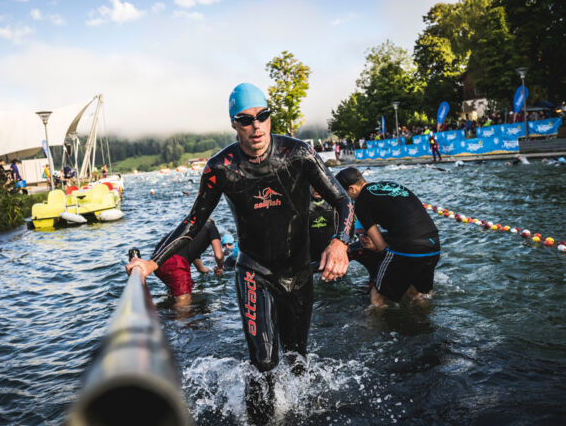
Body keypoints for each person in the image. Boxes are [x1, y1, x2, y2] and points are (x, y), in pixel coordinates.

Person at [126, 82, 353, 423]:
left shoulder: (299, 154)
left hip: (298, 273)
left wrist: (340, 243)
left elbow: (343, 200)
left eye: (262, 116)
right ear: (234, 124)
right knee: (263, 360)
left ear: (270, 117)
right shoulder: (221, 168)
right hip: (254, 271)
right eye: (245, 120)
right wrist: (152, 262)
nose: (256, 125)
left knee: (296, 359)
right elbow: (193, 221)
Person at [335, 167, 440, 308]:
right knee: (415, 293)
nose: (347, 199)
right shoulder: (390, 185)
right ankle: (425, 324)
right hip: (433, 244)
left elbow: (380, 245)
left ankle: (376, 328)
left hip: (408, 246)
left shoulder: (361, 202)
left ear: (352, 188)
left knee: (377, 294)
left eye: (345, 194)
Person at [153, 219, 224, 307]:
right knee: (184, 302)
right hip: (175, 263)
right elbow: (219, 255)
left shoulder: (187, 232)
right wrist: (220, 267)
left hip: (156, 262)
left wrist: (209, 271)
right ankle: (177, 319)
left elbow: (200, 268)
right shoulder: (211, 226)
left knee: (190, 285)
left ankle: (167, 310)